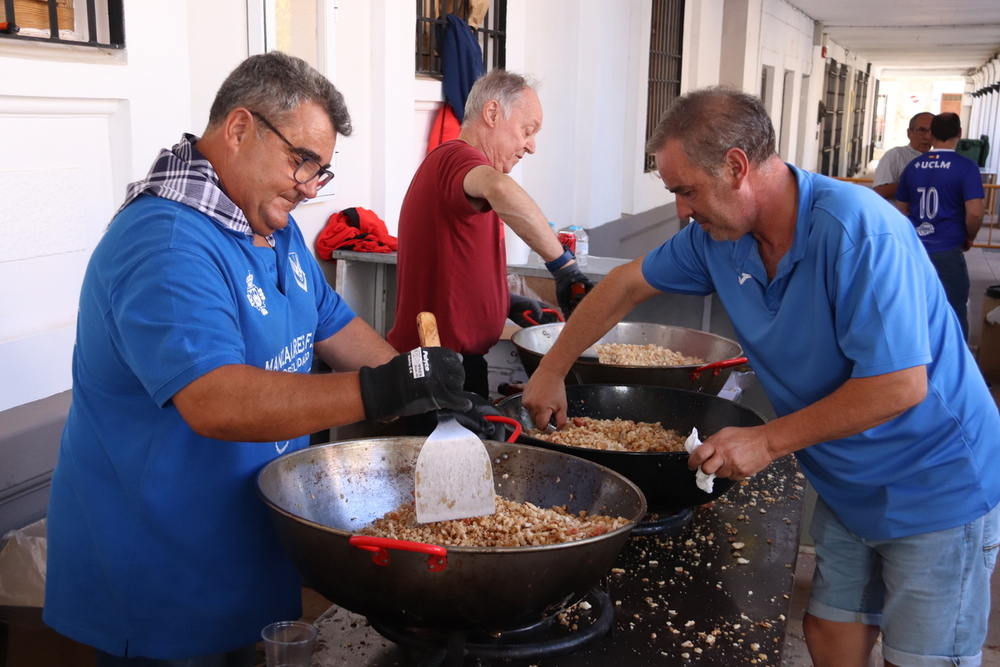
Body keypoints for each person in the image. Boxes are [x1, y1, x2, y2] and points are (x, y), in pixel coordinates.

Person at [522, 87, 1000, 667]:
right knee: (829, 630)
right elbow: (624, 284)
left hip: (935, 480)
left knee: (923, 656)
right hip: (850, 481)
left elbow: (899, 385)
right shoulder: (718, 240)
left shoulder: (857, 233)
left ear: (736, 166)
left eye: (685, 190)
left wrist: (766, 441)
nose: (680, 210)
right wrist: (551, 369)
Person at [42, 52, 472, 666]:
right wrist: (384, 392)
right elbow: (215, 400)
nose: (308, 186)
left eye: (321, 171)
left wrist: (427, 390)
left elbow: (331, 322)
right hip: (160, 567)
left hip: (247, 541)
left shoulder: (270, 219)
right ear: (239, 128)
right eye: (301, 161)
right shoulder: (167, 241)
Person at [387, 69, 593, 399]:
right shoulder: (457, 157)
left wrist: (503, 303)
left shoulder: (464, 176)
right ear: (493, 113)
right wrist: (564, 268)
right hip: (440, 368)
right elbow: (501, 188)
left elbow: (454, 268)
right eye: (528, 131)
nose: (532, 146)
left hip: (452, 365)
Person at [896, 111, 985, 342]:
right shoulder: (966, 167)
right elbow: (974, 212)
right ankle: (954, 372)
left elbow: (901, 211)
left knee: (913, 310)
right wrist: (970, 236)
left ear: (932, 135)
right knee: (953, 312)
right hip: (947, 250)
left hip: (915, 250)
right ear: (959, 134)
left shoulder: (913, 166)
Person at [872, 111, 933, 201]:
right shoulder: (895, 155)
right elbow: (880, 191)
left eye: (932, 131)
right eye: (921, 130)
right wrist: (916, 183)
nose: (927, 136)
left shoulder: (938, 159)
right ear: (909, 133)